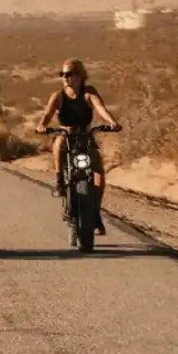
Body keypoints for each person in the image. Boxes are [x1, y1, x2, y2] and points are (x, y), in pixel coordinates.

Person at [35, 57, 121, 236]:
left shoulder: (89, 92)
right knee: (58, 143)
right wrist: (42, 125)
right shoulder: (58, 96)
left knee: (98, 174)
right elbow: (47, 114)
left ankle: (95, 211)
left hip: (85, 136)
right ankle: (59, 179)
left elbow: (100, 108)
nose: (65, 78)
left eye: (70, 74)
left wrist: (112, 122)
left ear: (81, 75)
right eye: (62, 74)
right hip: (66, 135)